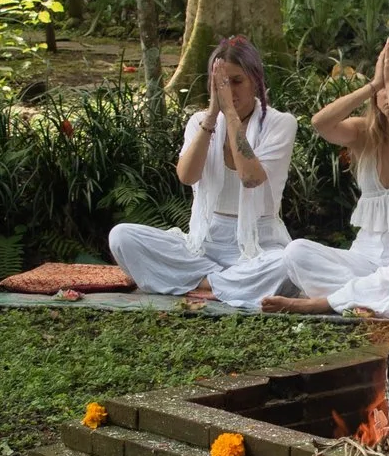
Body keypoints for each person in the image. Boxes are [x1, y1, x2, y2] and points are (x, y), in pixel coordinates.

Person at [261, 40, 389, 316]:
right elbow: (320, 124)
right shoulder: (363, 132)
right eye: (385, 88)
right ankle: (380, 299)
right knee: (295, 252)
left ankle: (324, 303)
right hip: (364, 258)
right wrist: (373, 85)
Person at [106, 36, 297, 302]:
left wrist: (230, 115)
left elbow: (250, 177)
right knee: (122, 237)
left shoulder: (280, 123)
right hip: (203, 245)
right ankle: (223, 283)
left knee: (289, 265)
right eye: (221, 83)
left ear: (255, 80)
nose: (229, 91)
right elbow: (187, 176)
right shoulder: (200, 121)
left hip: (259, 244)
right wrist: (211, 116)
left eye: (237, 81)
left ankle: (204, 282)